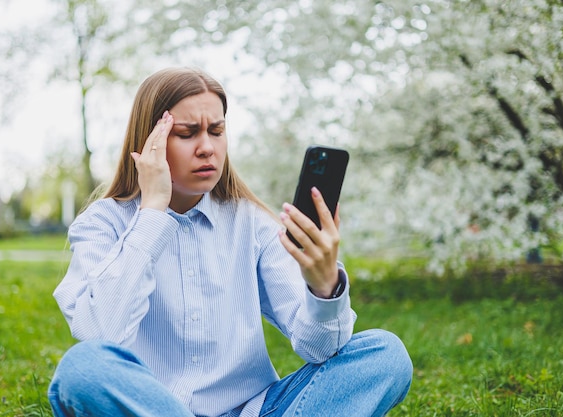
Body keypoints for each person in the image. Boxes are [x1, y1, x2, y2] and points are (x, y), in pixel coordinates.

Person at [48, 67, 412, 417]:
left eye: (217, 131)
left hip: (256, 410)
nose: (207, 147)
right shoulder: (101, 223)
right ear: (149, 143)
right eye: (188, 133)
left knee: (385, 353)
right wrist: (152, 214)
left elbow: (318, 347)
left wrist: (324, 287)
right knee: (83, 368)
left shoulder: (251, 223)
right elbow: (99, 333)